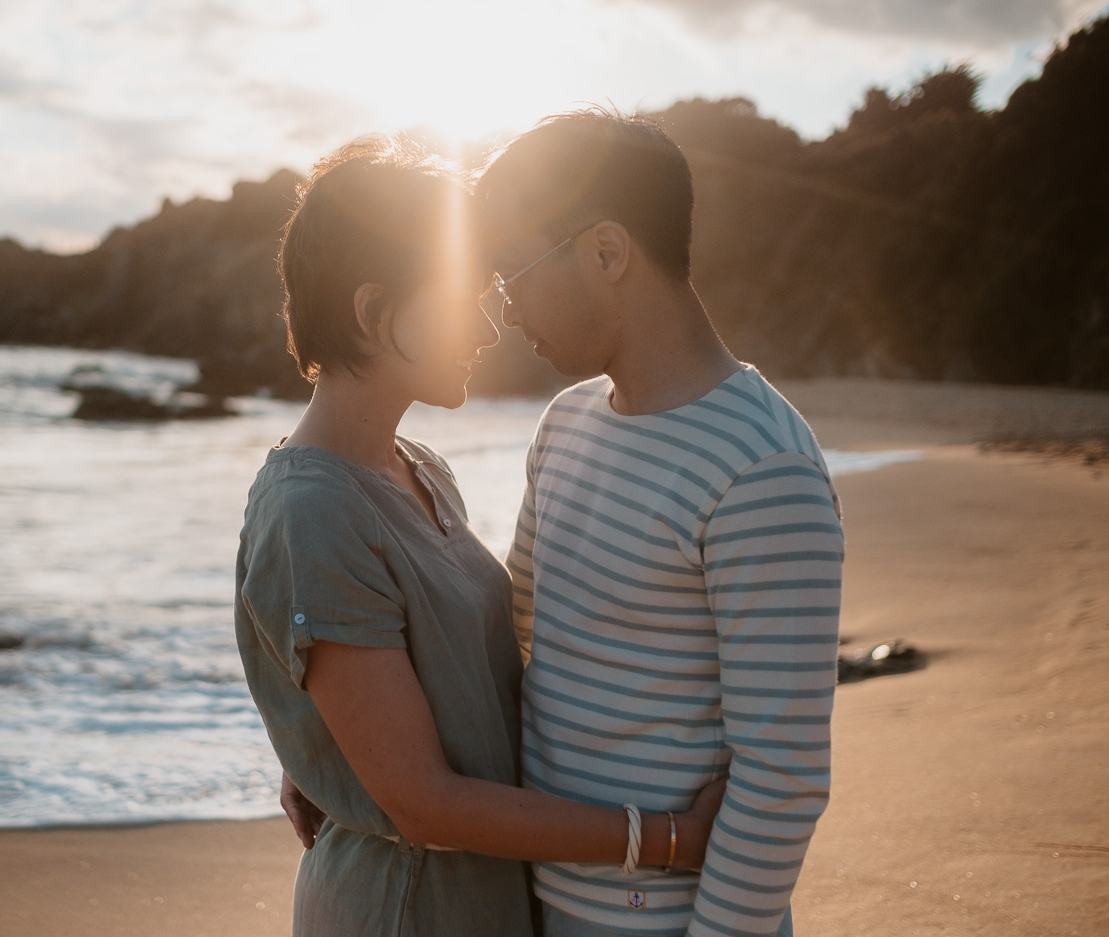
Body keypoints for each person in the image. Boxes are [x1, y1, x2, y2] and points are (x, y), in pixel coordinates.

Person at [234, 136, 727, 937]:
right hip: (406, 909)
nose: (489, 328)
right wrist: (670, 840)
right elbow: (423, 801)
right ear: (371, 310)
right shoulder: (311, 510)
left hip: (476, 898)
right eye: (463, 294)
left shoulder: (418, 470)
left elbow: (461, 685)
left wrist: (332, 753)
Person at [474, 108, 845, 937]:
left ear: (607, 252)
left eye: (513, 273)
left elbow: (781, 778)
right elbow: (512, 637)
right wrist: (346, 749)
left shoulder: (762, 467)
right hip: (536, 904)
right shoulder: (565, 425)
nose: (504, 311)